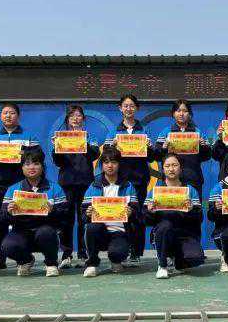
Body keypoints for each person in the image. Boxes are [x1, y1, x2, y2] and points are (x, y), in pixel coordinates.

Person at [0, 102, 41, 271]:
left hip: (21, 184)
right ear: (1, 116)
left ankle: (24, 254)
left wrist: (26, 154)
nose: (8, 115)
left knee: (23, 217)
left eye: (12, 113)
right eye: (5, 113)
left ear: (18, 116)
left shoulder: (29, 136)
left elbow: (39, 157)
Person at [0, 150, 68, 277]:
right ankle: (26, 260)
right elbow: (2, 218)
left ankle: (51, 263)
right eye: (27, 164)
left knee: (46, 232)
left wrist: (53, 211)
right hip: (21, 231)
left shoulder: (55, 188)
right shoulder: (13, 189)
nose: (31, 167)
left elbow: (65, 216)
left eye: (36, 163)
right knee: (7, 246)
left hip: (45, 230)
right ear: (22, 168)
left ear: (42, 166)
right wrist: (9, 212)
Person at [105, 94, 156, 263]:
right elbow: (107, 157)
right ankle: (123, 249)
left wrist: (149, 148)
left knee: (138, 215)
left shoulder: (144, 130)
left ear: (137, 108)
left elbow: (152, 157)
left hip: (140, 179)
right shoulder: (114, 131)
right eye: (125, 106)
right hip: (120, 181)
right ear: (120, 108)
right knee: (122, 214)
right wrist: (111, 147)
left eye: (132, 106)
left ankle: (136, 252)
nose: (129, 109)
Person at [52, 104, 101, 269]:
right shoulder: (61, 136)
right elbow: (57, 162)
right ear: (67, 119)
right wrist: (57, 147)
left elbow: (95, 154)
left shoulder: (90, 136)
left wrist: (82, 142)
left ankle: (83, 253)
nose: (75, 118)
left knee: (83, 219)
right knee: (66, 220)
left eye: (79, 115)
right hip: (66, 182)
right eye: (72, 115)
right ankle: (66, 254)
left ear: (83, 119)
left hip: (85, 182)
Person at [144, 153, 205, 279]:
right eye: (167, 166)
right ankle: (162, 264)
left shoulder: (190, 190)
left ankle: (177, 259)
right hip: (163, 233)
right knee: (165, 226)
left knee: (195, 258)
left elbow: (199, 218)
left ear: (181, 168)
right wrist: (150, 212)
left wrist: (191, 210)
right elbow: (145, 220)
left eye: (174, 165)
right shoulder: (155, 191)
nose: (171, 169)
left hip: (185, 234)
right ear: (163, 169)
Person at [80, 147, 138, 278]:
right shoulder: (94, 185)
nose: (110, 165)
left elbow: (137, 213)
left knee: (117, 253)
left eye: (114, 162)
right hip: (99, 230)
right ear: (102, 165)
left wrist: (131, 213)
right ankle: (92, 263)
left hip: (119, 231)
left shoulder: (128, 186)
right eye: (106, 162)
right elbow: (83, 214)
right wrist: (87, 213)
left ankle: (116, 260)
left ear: (119, 164)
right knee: (91, 227)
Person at [154, 99, 212, 200]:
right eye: (178, 111)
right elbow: (157, 156)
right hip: (171, 179)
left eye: (185, 111)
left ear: (189, 114)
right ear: (173, 114)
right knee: (172, 206)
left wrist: (203, 147)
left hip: (193, 178)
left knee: (194, 207)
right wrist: (163, 147)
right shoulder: (166, 132)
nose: (181, 114)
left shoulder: (197, 132)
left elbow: (207, 156)